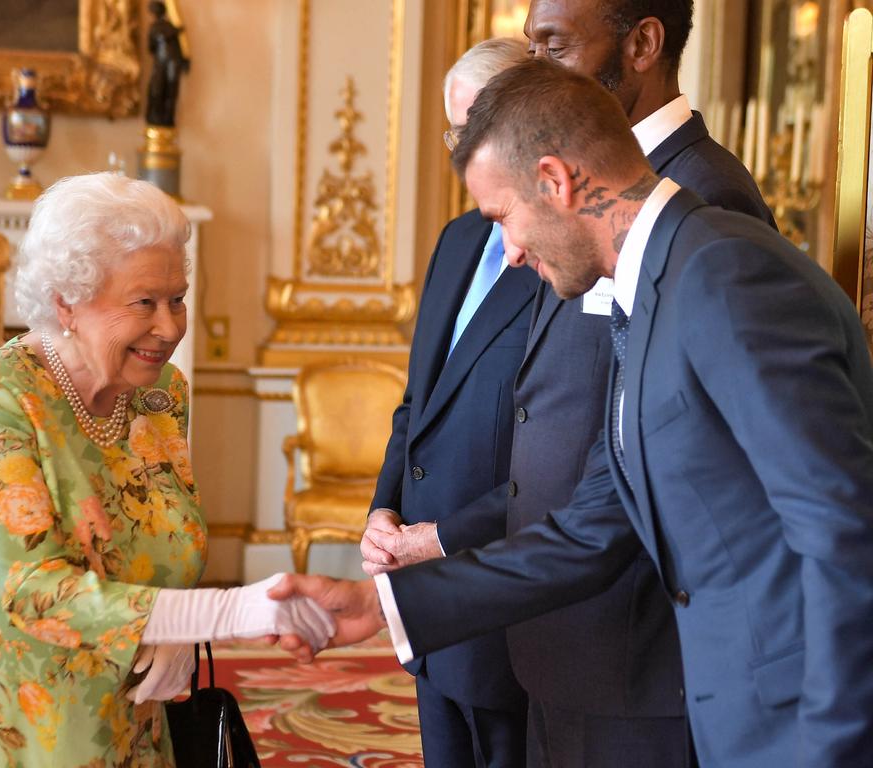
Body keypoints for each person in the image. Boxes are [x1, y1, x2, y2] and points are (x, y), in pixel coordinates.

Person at [272, 58, 873, 767]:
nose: (512, 254)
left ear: (555, 181)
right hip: (727, 719)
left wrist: (830, 748)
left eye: (503, 219)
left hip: (793, 732)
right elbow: (592, 529)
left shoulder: (723, 274)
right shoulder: (650, 287)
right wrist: (385, 608)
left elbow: (844, 533)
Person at [363, 2, 774, 766]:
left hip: (635, 653)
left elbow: (654, 469)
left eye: (553, 47)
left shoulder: (702, 198)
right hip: (562, 628)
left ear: (643, 43)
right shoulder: (590, 195)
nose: (534, 75)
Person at [0, 173, 333, 767]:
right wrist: (231, 612)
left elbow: (166, 540)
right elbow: (33, 588)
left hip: (122, 707)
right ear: (65, 302)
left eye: (178, 297)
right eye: (143, 302)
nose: (171, 327)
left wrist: (174, 626)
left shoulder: (160, 394)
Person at [365, 36, 533, 768]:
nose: (459, 149)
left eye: (473, 128)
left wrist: (443, 536)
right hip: (427, 594)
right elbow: (418, 403)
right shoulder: (459, 239)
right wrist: (383, 509)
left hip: (506, 592)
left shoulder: (562, 255)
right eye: (452, 130)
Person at [146, 0, 189, 127]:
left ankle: (167, 118)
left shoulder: (169, 27)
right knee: (157, 90)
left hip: (171, 63)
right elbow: (151, 47)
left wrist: (185, 60)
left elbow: (151, 47)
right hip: (162, 63)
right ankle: (156, 117)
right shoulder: (165, 28)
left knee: (170, 90)